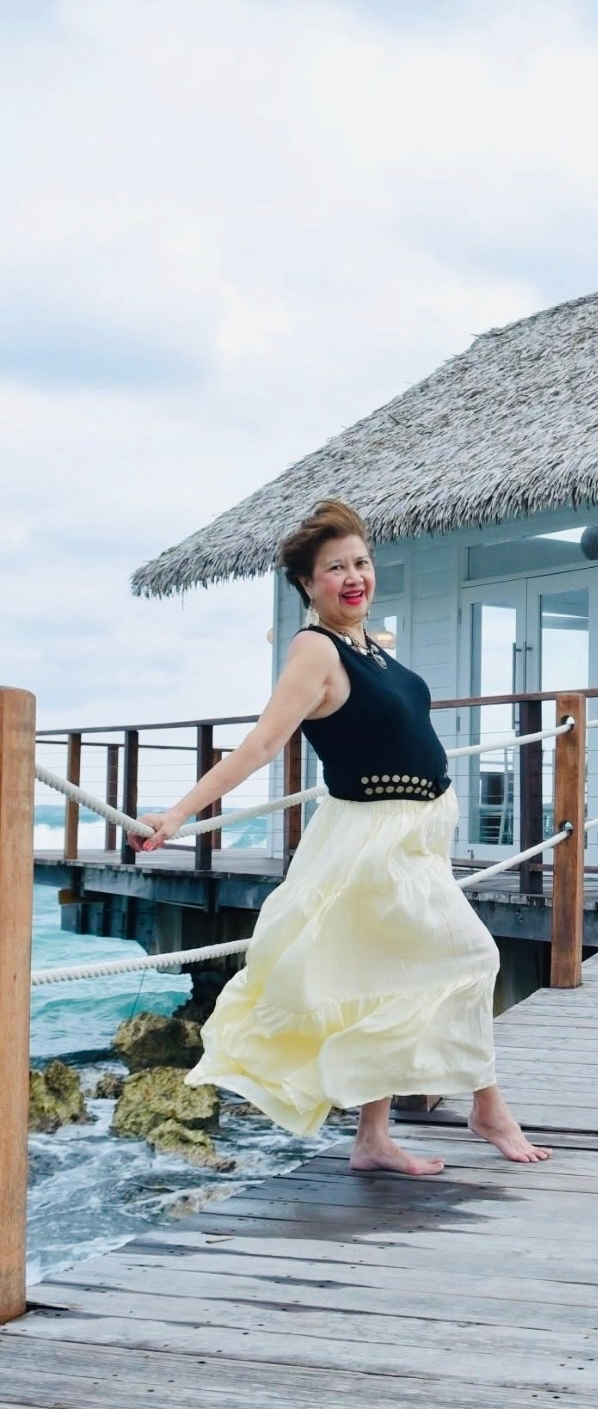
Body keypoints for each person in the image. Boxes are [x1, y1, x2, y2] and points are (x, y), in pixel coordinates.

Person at [128, 497, 550, 1176]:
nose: (354, 576)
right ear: (307, 583)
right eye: (335, 568)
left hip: (415, 833)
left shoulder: (369, 648)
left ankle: (373, 1139)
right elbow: (264, 742)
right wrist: (180, 814)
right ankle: (486, 1107)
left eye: (362, 562)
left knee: (379, 975)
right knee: (471, 956)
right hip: (370, 837)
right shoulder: (314, 650)